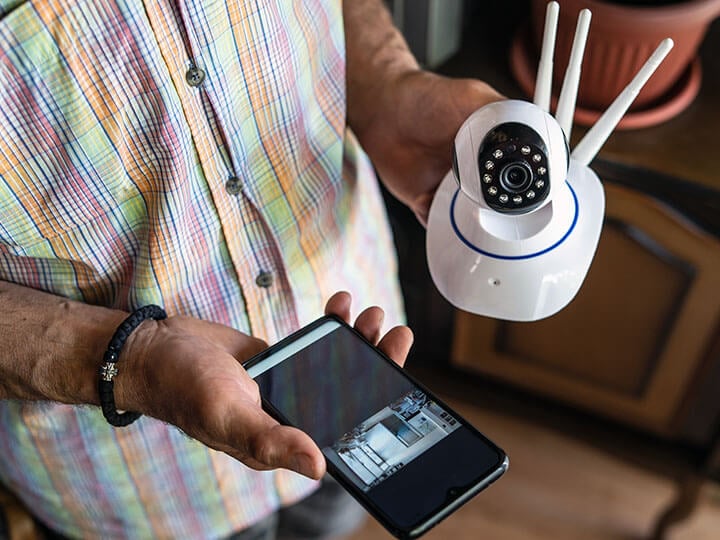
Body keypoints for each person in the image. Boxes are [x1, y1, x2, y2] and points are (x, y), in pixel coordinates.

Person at [0, 0, 502, 538]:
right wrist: (135, 361)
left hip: (348, 364)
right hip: (135, 483)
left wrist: (386, 80)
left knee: (333, 517)